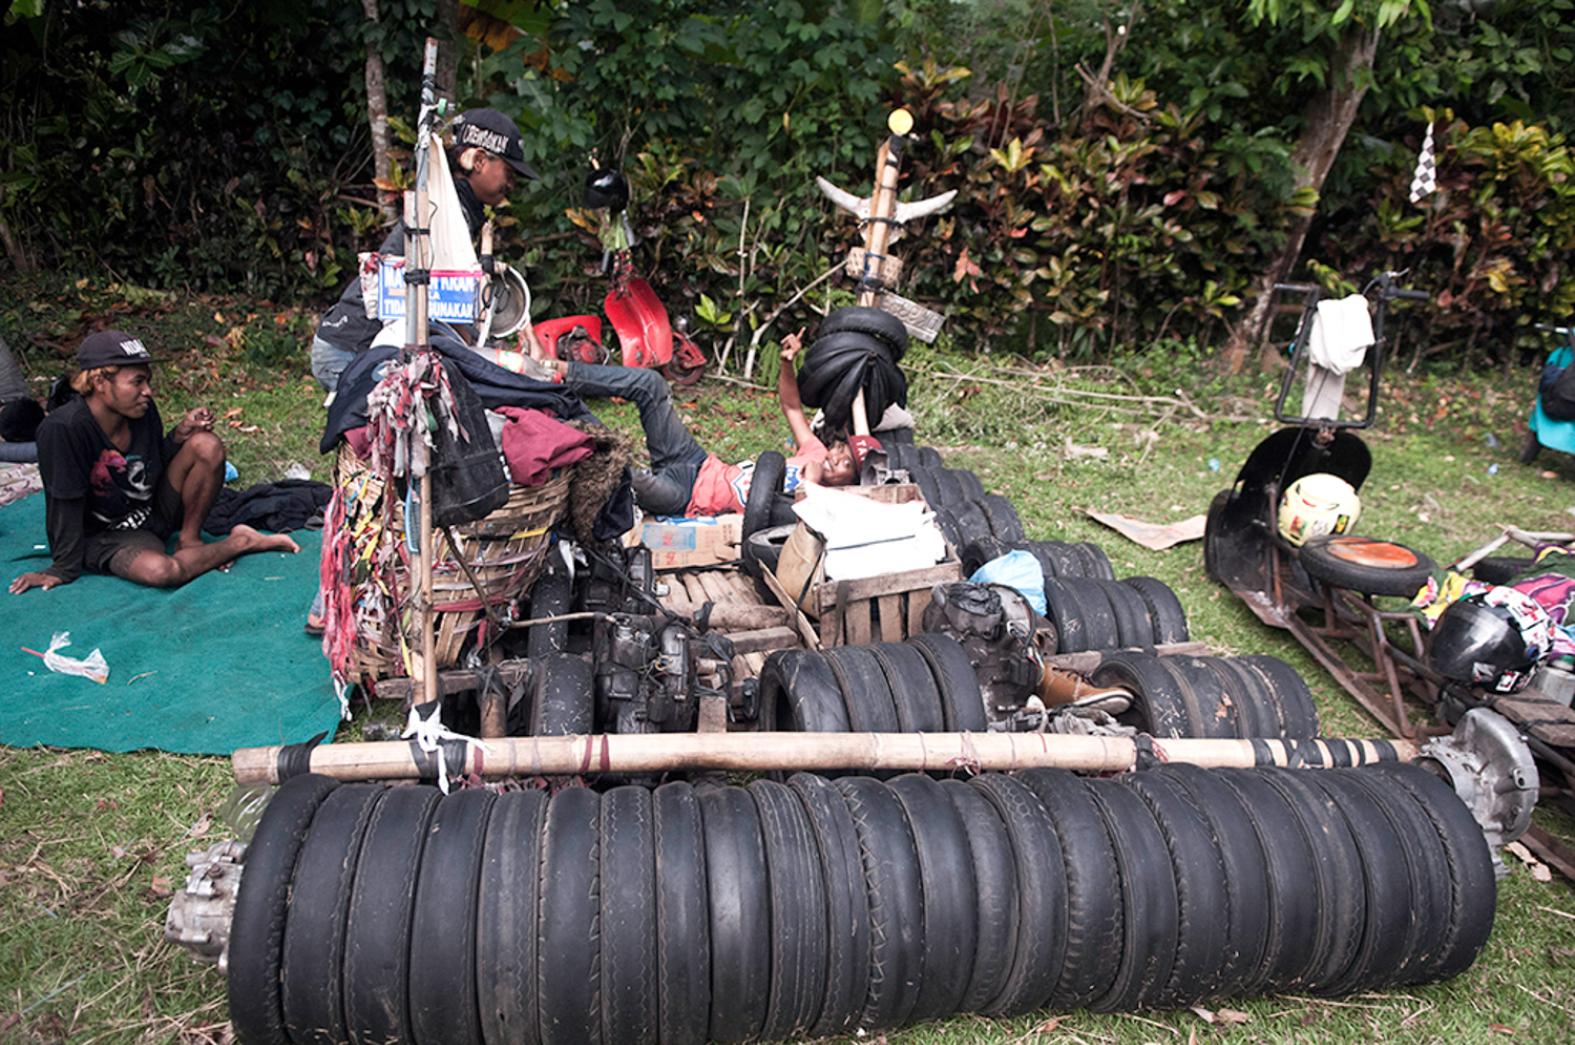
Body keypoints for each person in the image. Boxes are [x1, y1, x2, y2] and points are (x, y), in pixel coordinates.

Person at [9, 330, 299, 594]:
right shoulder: (64, 429)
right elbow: (65, 501)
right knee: (163, 571)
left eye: (147, 380)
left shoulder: (142, 409)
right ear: (99, 382)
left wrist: (178, 436)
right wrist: (63, 568)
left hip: (150, 513)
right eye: (137, 381)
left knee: (206, 445)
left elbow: (152, 465)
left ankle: (190, 540)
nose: (148, 390)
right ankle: (241, 542)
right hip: (105, 536)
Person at [307, 107, 540, 392]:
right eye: (509, 171)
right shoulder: (444, 210)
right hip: (348, 352)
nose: (511, 184)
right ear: (479, 160)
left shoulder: (457, 207)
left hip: (348, 346)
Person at [543, 329, 857, 516]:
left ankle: (552, 399)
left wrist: (812, 485)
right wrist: (788, 362)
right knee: (652, 385)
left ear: (852, 483)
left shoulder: (829, 506)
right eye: (840, 451)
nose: (834, 458)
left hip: (683, 498)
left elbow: (796, 522)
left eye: (845, 465)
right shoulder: (815, 453)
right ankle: (553, 371)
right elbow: (791, 407)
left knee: (618, 468)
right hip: (696, 461)